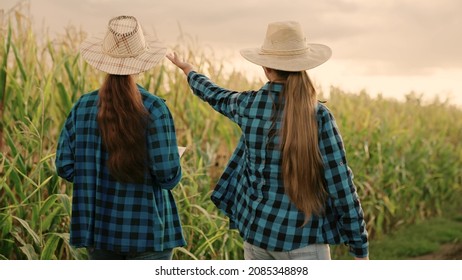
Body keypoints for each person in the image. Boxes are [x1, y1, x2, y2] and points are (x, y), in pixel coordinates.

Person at [167, 21, 368, 260]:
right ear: (303, 65)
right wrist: (359, 248)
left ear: (265, 67)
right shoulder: (319, 116)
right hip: (303, 242)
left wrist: (189, 70)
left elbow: (215, 94)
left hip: (257, 238)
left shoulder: (249, 105)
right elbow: (341, 185)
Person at [56, 15, 184, 260]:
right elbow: (168, 177)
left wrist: (97, 173)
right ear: (141, 64)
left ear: (103, 61)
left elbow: (65, 167)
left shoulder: (81, 107)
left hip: (99, 233)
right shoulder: (155, 109)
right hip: (148, 233)